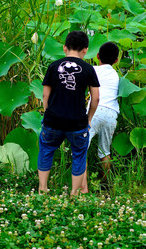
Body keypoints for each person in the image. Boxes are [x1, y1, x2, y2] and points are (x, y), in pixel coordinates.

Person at [37, 31, 99, 195]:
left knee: (46, 150)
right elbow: (96, 98)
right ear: (85, 50)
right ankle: (74, 194)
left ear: (65, 48)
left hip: (53, 120)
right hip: (77, 122)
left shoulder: (53, 66)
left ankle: (42, 189)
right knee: (79, 155)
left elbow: (45, 95)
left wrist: (48, 114)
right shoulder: (88, 69)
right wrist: (89, 119)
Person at [86, 42, 120, 186]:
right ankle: (106, 184)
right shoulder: (117, 75)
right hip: (112, 113)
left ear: (97, 56)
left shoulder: (92, 70)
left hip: (95, 111)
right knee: (104, 151)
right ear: (116, 61)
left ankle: (83, 185)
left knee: (81, 149)